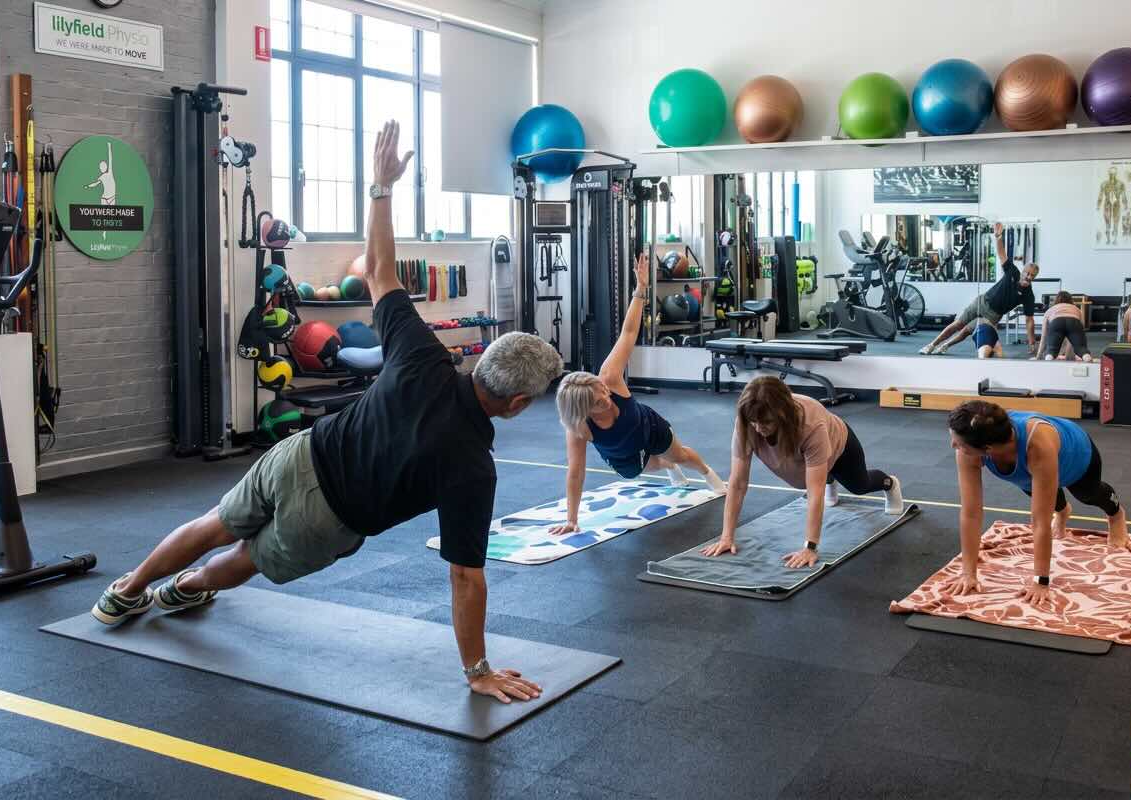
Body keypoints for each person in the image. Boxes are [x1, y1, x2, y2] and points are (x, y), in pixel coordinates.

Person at [91, 121, 563, 705]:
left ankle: (126, 590)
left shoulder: (421, 354)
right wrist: (479, 669)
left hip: (300, 455)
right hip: (328, 519)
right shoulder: (474, 466)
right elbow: (465, 576)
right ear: (517, 404)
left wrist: (381, 188)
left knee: (214, 521)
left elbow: (381, 271)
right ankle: (184, 588)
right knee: (242, 557)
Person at [550, 258, 726, 535]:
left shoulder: (608, 376)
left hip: (647, 425)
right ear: (584, 412)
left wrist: (640, 289)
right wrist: (572, 519)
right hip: (619, 450)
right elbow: (575, 472)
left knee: (678, 454)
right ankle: (666, 465)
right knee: (645, 468)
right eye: (599, 402)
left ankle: (707, 473)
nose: (606, 398)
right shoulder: (577, 427)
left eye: (604, 392)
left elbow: (629, 332)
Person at [945, 401, 1131, 609]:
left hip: (1075, 457)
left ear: (988, 448)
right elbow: (971, 513)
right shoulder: (969, 448)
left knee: (1088, 495)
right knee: (1048, 499)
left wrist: (1040, 582)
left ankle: (1116, 516)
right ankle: (1063, 512)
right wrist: (968, 573)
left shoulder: (1037, 445)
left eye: (958, 443)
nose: (953, 446)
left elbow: (1039, 522)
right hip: (1029, 470)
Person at [701, 376, 904, 565]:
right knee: (813, 474)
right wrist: (726, 536)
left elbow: (814, 493)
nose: (758, 428)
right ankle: (828, 477)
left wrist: (810, 547)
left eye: (766, 422)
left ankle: (889, 483)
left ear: (783, 416)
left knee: (859, 486)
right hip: (809, 458)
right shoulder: (747, 422)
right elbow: (737, 482)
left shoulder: (811, 425)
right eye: (754, 421)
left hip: (839, 447)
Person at [920, 222, 1037, 356]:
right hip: (982, 302)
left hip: (993, 316)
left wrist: (1032, 342)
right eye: (1027, 273)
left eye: (1032, 275)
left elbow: (1029, 320)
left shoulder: (1028, 295)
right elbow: (1001, 254)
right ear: (1023, 271)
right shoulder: (1013, 272)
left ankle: (946, 345)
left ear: (1034, 277)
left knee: (966, 331)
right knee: (958, 324)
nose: (1028, 276)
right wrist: (998, 238)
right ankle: (932, 345)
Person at [1033, 291, 1092, 361]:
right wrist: (1069, 356)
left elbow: (1044, 336)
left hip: (1056, 322)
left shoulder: (1050, 310)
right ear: (1071, 300)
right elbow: (1081, 330)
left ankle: (1048, 360)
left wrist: (1038, 356)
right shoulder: (1077, 309)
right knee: (1081, 349)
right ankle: (1087, 358)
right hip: (1074, 322)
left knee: (1052, 349)